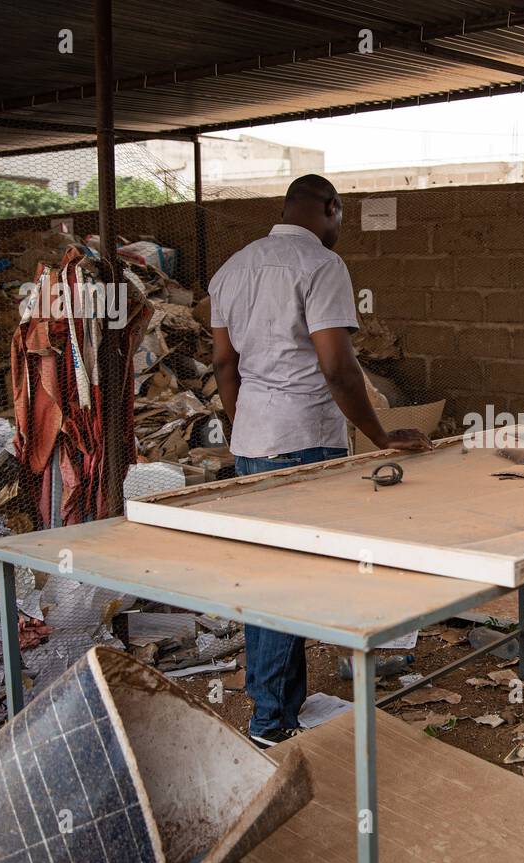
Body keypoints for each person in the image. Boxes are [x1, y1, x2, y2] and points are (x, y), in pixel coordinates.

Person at [209, 173, 432, 747]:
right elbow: (337, 366)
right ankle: (270, 724)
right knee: (295, 582)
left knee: (268, 578)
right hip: (306, 440)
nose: (340, 228)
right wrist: (379, 437)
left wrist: (244, 425)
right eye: (341, 217)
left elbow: (224, 365)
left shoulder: (233, 269)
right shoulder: (321, 267)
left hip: (254, 442)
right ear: (331, 208)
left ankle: (283, 706)